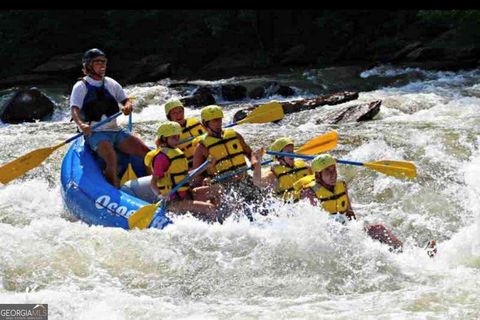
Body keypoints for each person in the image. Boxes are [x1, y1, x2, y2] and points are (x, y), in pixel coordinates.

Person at [70, 48, 150, 188]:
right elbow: (74, 110)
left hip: (115, 130)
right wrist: (82, 125)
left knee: (146, 152)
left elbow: (125, 100)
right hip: (95, 133)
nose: (102, 65)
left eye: (104, 62)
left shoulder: (111, 83)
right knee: (111, 158)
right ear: (88, 65)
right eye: (98, 62)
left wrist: (128, 106)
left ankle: (154, 185)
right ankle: (114, 188)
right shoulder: (80, 86)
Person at [294, 154, 404, 252]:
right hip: (329, 235)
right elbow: (314, 225)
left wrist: (358, 232)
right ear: (318, 175)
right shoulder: (310, 192)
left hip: (345, 229)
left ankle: (402, 253)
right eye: (328, 171)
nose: (333, 175)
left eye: (334, 170)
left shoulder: (342, 185)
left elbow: (349, 213)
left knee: (379, 229)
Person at [121, 121, 222, 222]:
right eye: (174, 137)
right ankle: (215, 225)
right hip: (173, 202)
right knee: (210, 208)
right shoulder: (162, 157)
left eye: (178, 136)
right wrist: (160, 195)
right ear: (164, 139)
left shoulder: (176, 152)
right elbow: (153, 182)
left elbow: (185, 176)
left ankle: (211, 216)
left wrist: (206, 166)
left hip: (186, 194)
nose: (177, 140)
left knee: (217, 189)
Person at [191, 105, 265, 221]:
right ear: (206, 124)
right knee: (240, 214)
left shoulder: (234, 135)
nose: (219, 123)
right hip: (224, 185)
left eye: (220, 119)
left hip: (244, 180)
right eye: (215, 120)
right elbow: (197, 174)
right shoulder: (202, 147)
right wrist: (206, 180)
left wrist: (254, 161)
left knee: (263, 207)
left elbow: (250, 153)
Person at [252, 137, 312, 202]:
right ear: (279, 156)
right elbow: (257, 182)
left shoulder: (304, 165)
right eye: (288, 152)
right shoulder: (273, 174)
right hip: (290, 206)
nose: (292, 154)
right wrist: (258, 162)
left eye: (292, 151)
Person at [163, 99, 206, 168]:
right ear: (169, 117)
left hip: (206, 160)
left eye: (180, 111)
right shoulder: (168, 133)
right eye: (174, 113)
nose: (178, 115)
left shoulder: (195, 122)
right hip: (188, 166)